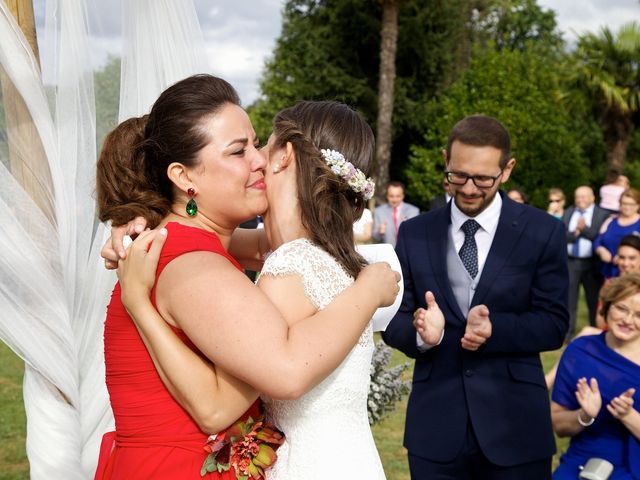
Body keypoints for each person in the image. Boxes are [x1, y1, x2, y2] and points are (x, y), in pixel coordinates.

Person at [94, 76, 401, 479]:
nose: (259, 159)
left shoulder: (190, 243)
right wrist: (367, 290)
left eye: (256, 143)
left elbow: (286, 247)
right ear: (184, 178)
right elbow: (281, 374)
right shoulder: (194, 265)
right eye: (239, 151)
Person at [382, 115, 569, 479]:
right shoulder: (415, 233)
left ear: (507, 170)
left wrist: (495, 330)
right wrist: (422, 334)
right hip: (435, 429)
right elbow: (393, 319)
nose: (468, 188)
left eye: (483, 178)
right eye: (457, 175)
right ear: (445, 160)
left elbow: (554, 323)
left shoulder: (542, 231)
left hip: (516, 429)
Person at [551, 274, 640, 480]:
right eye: (621, 308)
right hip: (585, 459)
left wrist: (628, 416)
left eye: (638, 315)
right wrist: (584, 415)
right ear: (607, 306)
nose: (627, 320)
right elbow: (559, 425)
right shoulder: (580, 351)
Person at [546, 233, 640, 389]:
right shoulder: (611, 284)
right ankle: (549, 381)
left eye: (632, 258)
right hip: (612, 335)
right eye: (622, 258)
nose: (625, 263)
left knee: (587, 333)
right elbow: (600, 322)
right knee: (588, 332)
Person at [562, 186, 609, 337]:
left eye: (584, 197)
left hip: (592, 263)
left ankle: (595, 332)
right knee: (569, 300)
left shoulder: (602, 214)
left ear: (592, 198)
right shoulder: (569, 212)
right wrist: (576, 233)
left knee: (593, 299)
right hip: (571, 262)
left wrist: (584, 229)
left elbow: (601, 237)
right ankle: (568, 334)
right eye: (577, 197)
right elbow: (561, 235)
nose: (580, 200)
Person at [594, 188, 640, 279]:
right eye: (624, 203)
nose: (627, 207)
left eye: (631, 204)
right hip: (608, 273)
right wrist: (601, 250)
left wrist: (621, 257)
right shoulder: (610, 221)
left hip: (632, 274)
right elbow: (598, 240)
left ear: (638, 205)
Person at [372, 181, 419, 246]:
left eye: (398, 196)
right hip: (388, 252)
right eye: (391, 196)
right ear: (387, 196)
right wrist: (380, 232)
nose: (394, 199)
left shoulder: (413, 211)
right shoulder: (379, 211)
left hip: (408, 250)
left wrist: (408, 228)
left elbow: (417, 235)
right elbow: (375, 237)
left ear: (403, 196)